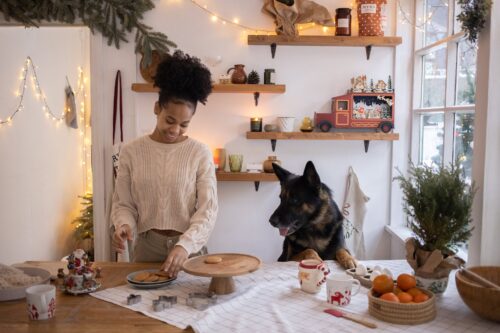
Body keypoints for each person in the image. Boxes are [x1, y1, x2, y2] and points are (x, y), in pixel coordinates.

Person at [111, 50, 218, 278]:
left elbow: (207, 209)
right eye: (170, 120)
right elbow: (124, 204)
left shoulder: (199, 152)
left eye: (184, 124)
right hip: (147, 249)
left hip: (189, 250)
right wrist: (123, 226)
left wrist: (185, 245)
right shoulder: (131, 152)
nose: (175, 130)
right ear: (157, 108)